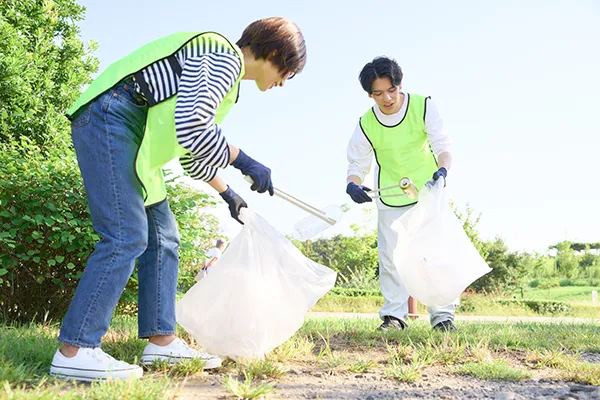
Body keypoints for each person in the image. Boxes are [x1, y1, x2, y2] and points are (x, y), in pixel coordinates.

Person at [49, 17, 306, 381]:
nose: (283, 83)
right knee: (126, 234)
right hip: (114, 116)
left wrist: (228, 194)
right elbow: (192, 126)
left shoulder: (228, 87)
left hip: (139, 144)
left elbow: (191, 152)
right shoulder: (223, 55)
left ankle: (161, 342)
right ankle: (75, 350)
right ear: (276, 53)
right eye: (288, 73)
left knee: (164, 237)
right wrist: (243, 159)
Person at [345, 56, 456, 332]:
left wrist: (442, 171)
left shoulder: (422, 105)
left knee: (433, 254)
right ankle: (394, 317)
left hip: (428, 190)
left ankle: (442, 315)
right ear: (370, 95)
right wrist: (353, 184)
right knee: (391, 258)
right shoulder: (367, 123)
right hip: (390, 196)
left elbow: (442, 144)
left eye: (391, 90)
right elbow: (357, 163)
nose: (387, 98)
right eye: (378, 93)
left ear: (399, 85)